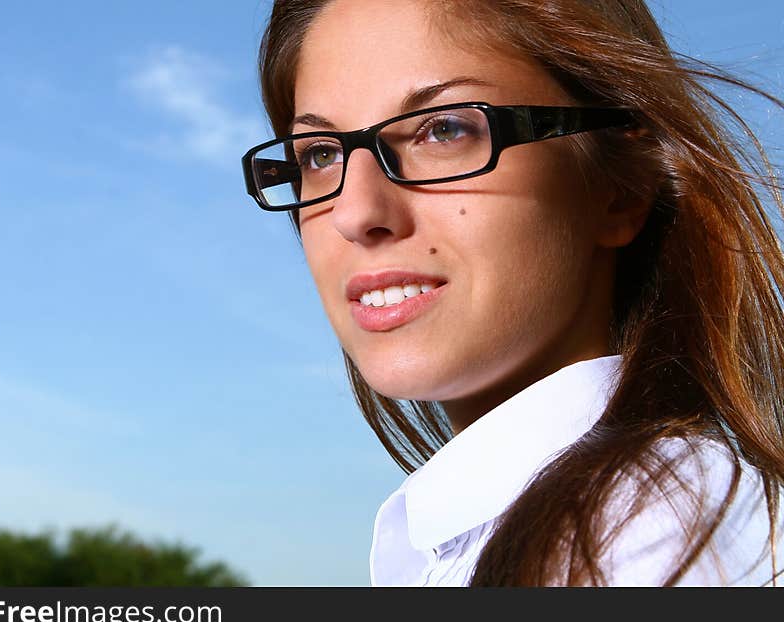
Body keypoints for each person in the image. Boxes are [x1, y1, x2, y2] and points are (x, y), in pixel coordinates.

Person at [241, 0, 784, 586]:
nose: (355, 211)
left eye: (444, 129)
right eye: (320, 155)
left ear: (620, 188)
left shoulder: (654, 535)